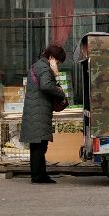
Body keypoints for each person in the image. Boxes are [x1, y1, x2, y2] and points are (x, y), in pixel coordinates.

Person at [20, 44, 69, 184]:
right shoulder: (44, 68)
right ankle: (38, 176)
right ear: (52, 58)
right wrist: (58, 86)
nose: (58, 64)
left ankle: (39, 175)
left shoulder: (38, 65)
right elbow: (46, 86)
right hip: (38, 111)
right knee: (39, 146)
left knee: (39, 145)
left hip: (36, 110)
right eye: (58, 61)